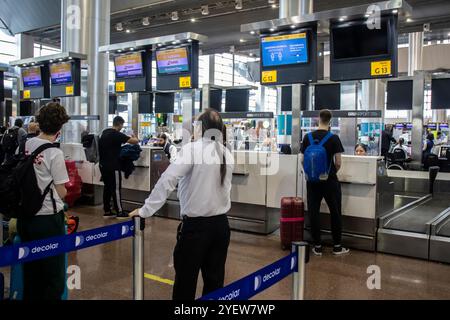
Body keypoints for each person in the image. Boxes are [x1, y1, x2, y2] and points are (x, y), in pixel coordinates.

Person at [129, 109, 234, 301]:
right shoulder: (225, 152)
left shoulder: (193, 149)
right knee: (214, 283)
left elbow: (167, 180)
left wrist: (145, 210)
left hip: (196, 229)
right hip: (221, 227)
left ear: (201, 127)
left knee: (185, 284)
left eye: (195, 126)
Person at [17, 102, 70, 300]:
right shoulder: (54, 153)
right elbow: (62, 191)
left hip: (25, 217)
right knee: (53, 276)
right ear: (60, 126)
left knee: (31, 272)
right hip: (47, 219)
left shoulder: (25, 145)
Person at [301, 109, 349, 256]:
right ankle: (337, 246)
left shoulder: (307, 137)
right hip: (329, 181)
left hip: (312, 182)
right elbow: (338, 162)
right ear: (331, 121)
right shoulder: (334, 138)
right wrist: (330, 173)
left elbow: (302, 160)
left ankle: (317, 246)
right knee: (335, 212)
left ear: (318, 119)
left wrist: (311, 174)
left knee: (314, 212)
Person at [98, 116, 139, 219]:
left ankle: (107, 211)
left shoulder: (105, 132)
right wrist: (134, 135)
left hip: (103, 165)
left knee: (107, 188)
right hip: (113, 166)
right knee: (116, 189)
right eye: (122, 125)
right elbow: (135, 141)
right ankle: (119, 212)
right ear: (120, 124)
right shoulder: (116, 134)